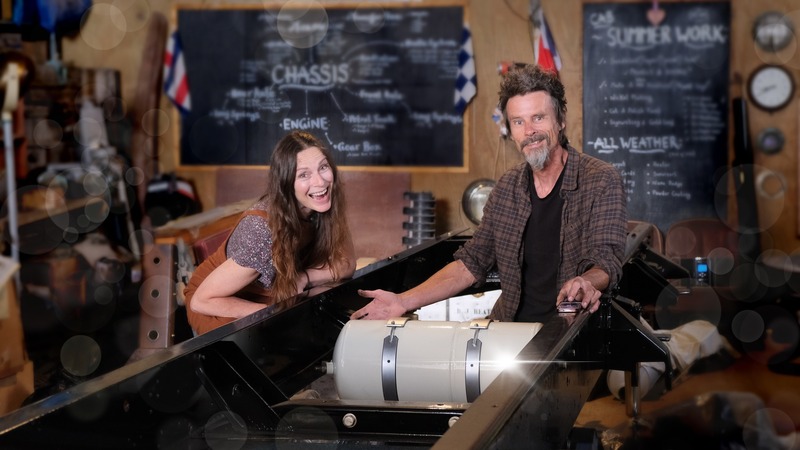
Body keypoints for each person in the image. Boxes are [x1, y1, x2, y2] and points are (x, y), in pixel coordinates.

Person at [351, 63, 627, 323]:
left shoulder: (600, 180)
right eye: (518, 122)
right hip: (508, 331)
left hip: (568, 335)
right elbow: (471, 263)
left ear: (561, 120)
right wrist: (402, 301)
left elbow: (605, 259)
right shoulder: (508, 187)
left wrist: (586, 282)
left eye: (538, 118)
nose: (529, 131)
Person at [185, 130, 356, 335]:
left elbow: (347, 265)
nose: (320, 182)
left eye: (323, 167)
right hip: (217, 304)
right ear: (286, 183)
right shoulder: (263, 231)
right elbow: (202, 301)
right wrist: (272, 315)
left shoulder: (324, 203)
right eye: (303, 174)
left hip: (272, 292)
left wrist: (304, 278)